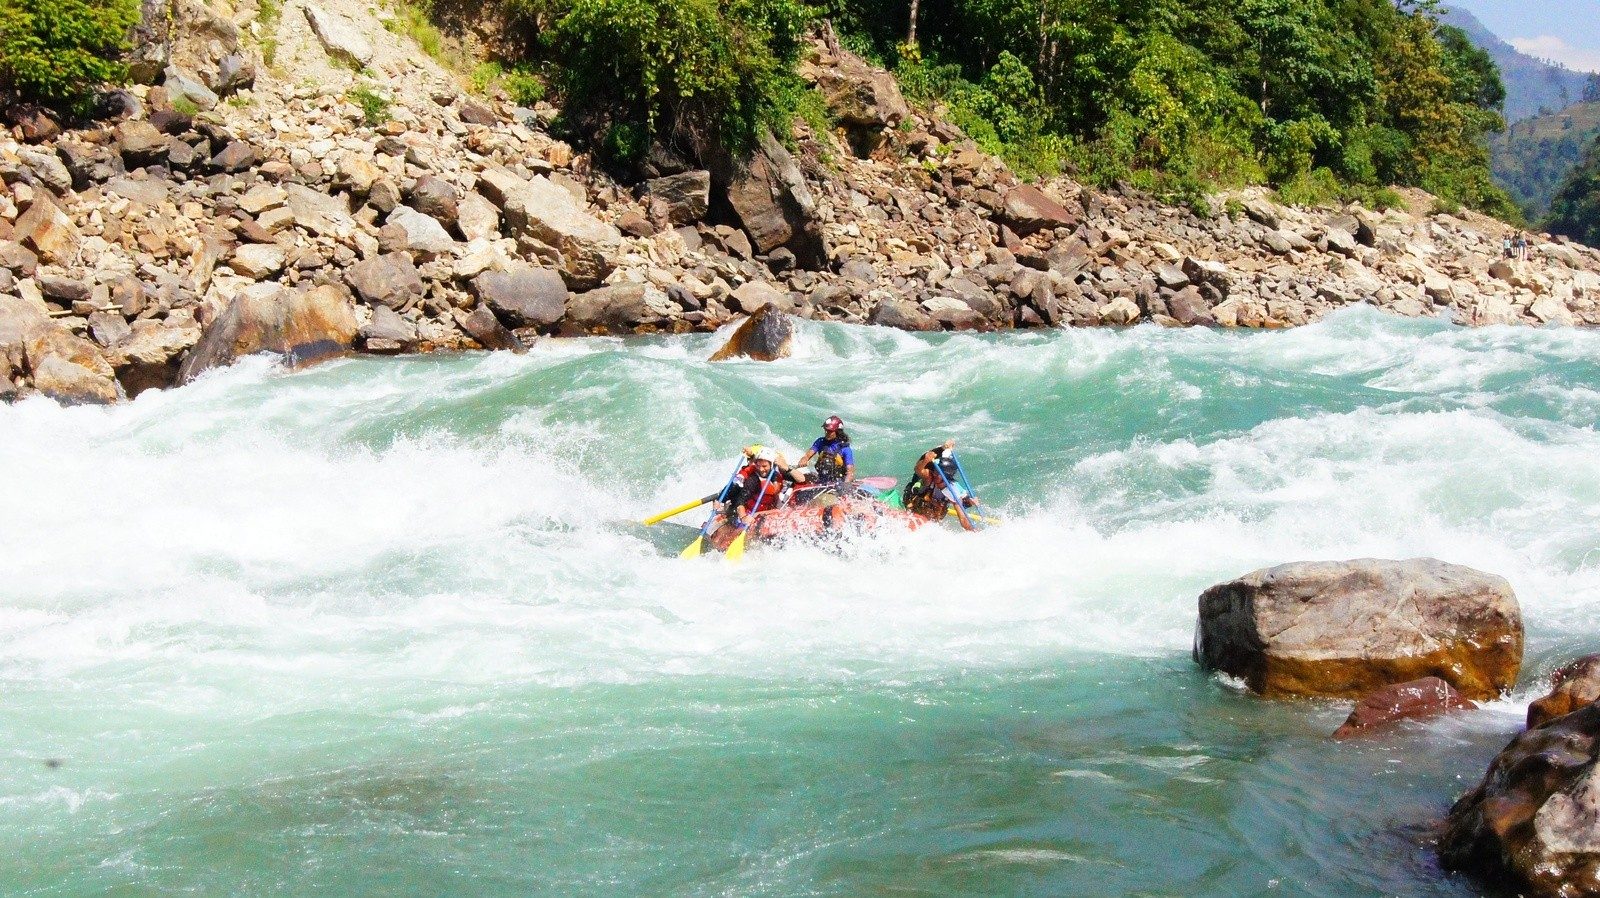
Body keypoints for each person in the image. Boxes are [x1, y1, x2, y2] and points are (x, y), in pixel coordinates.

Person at [901, 439, 978, 531]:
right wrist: (926, 460)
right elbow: (918, 469)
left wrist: (975, 532)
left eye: (939, 474)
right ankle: (941, 448)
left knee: (966, 502)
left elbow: (963, 519)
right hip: (913, 508)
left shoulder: (953, 491)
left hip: (931, 516)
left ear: (947, 476)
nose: (935, 475)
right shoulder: (929, 477)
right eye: (935, 472)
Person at [797, 415, 855, 486]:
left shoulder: (845, 448)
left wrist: (845, 485)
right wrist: (804, 459)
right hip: (821, 479)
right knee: (797, 478)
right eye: (826, 430)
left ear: (838, 432)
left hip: (837, 483)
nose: (827, 433)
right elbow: (807, 455)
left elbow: (850, 472)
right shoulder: (820, 441)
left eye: (830, 431)